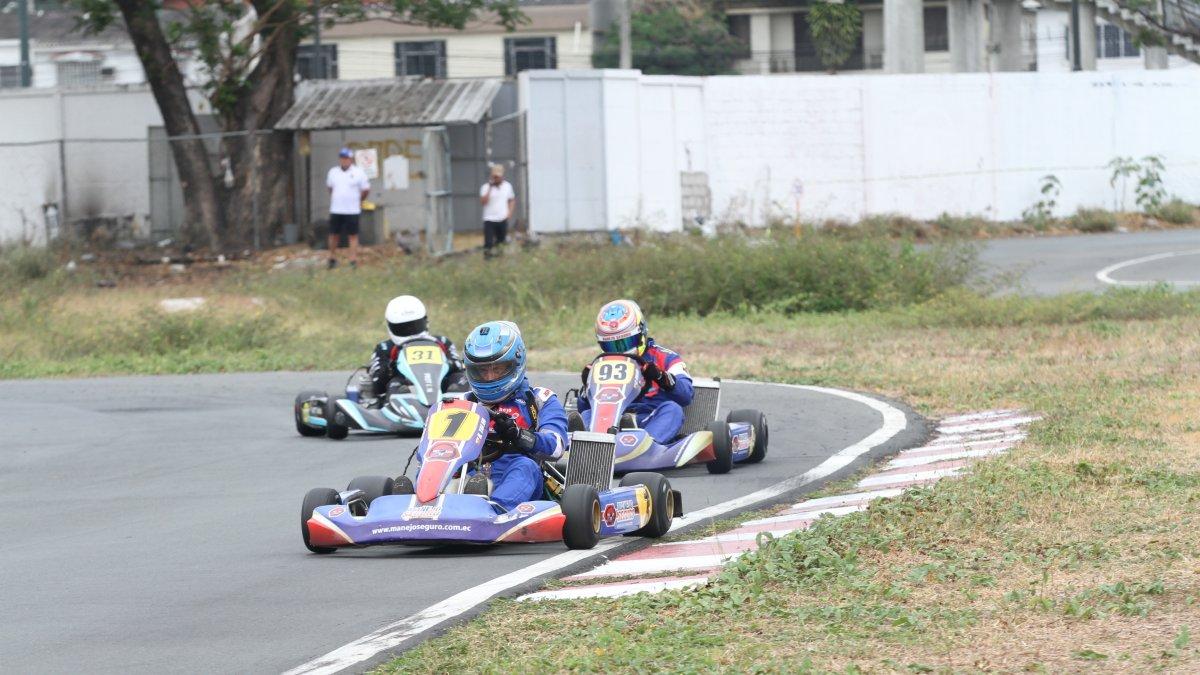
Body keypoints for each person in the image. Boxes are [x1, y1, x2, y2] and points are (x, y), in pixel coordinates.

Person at [461, 320, 567, 511]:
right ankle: (422, 506)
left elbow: (556, 447)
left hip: (518, 478)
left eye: (497, 369)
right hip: (469, 475)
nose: (489, 377)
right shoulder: (462, 403)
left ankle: (494, 512)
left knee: (525, 466)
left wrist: (518, 434)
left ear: (515, 363)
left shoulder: (540, 400)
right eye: (482, 370)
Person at [575, 299, 694, 445]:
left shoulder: (666, 357)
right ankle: (584, 443)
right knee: (587, 414)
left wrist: (660, 377)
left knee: (673, 410)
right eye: (611, 345)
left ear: (640, 333)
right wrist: (586, 390)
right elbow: (586, 408)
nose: (619, 350)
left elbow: (686, 395)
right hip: (612, 420)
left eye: (624, 343)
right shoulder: (602, 364)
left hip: (649, 418)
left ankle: (646, 444)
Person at [366, 295, 466, 402]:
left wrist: (449, 363)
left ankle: (460, 404)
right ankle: (403, 406)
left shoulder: (443, 342)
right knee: (395, 383)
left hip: (442, 388)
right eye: (402, 328)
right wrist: (390, 368)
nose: (410, 331)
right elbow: (377, 385)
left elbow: (460, 368)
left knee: (460, 379)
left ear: (425, 321)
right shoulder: (384, 348)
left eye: (415, 325)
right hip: (405, 391)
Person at [326, 147, 371, 269]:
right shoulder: (333, 172)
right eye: (342, 158)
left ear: (351, 159)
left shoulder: (359, 173)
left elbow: (366, 189)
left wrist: (359, 200)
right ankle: (332, 258)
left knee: (353, 235)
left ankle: (353, 260)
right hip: (336, 209)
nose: (344, 160)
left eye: (346, 158)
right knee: (334, 235)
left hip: (352, 210)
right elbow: (330, 188)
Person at [479, 164, 515, 258]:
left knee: (501, 243)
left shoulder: (507, 186)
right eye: (494, 176)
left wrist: (509, 212)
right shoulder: (485, 187)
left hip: (502, 219)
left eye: (498, 176)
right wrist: (490, 188)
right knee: (489, 243)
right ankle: (488, 260)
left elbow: (511, 199)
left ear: (502, 176)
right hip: (489, 219)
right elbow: (483, 202)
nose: (496, 178)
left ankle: (499, 260)